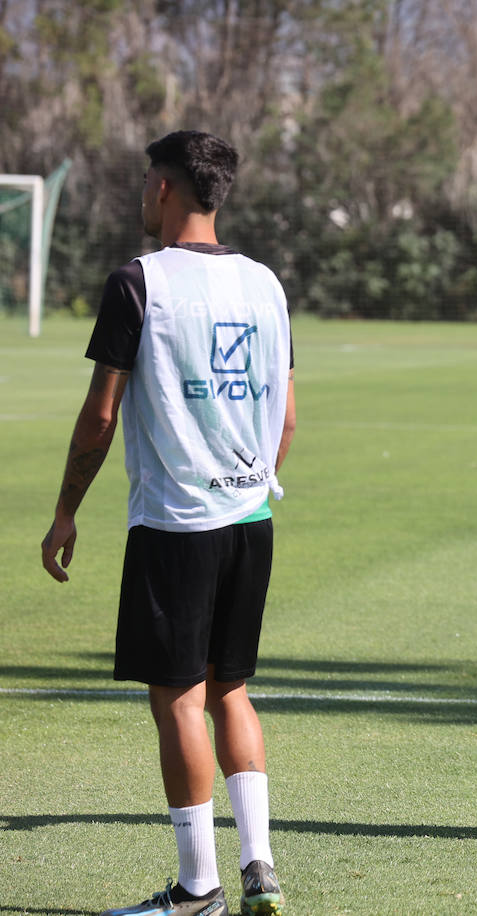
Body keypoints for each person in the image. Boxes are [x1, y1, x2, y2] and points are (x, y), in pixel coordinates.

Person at [40, 130, 294, 916]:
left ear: (165, 190)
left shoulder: (137, 282)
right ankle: (259, 868)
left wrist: (65, 510)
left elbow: (101, 414)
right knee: (232, 692)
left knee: (179, 699)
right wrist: (250, 480)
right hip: (253, 514)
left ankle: (197, 889)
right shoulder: (265, 283)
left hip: (176, 523)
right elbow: (286, 418)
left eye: (149, 180)